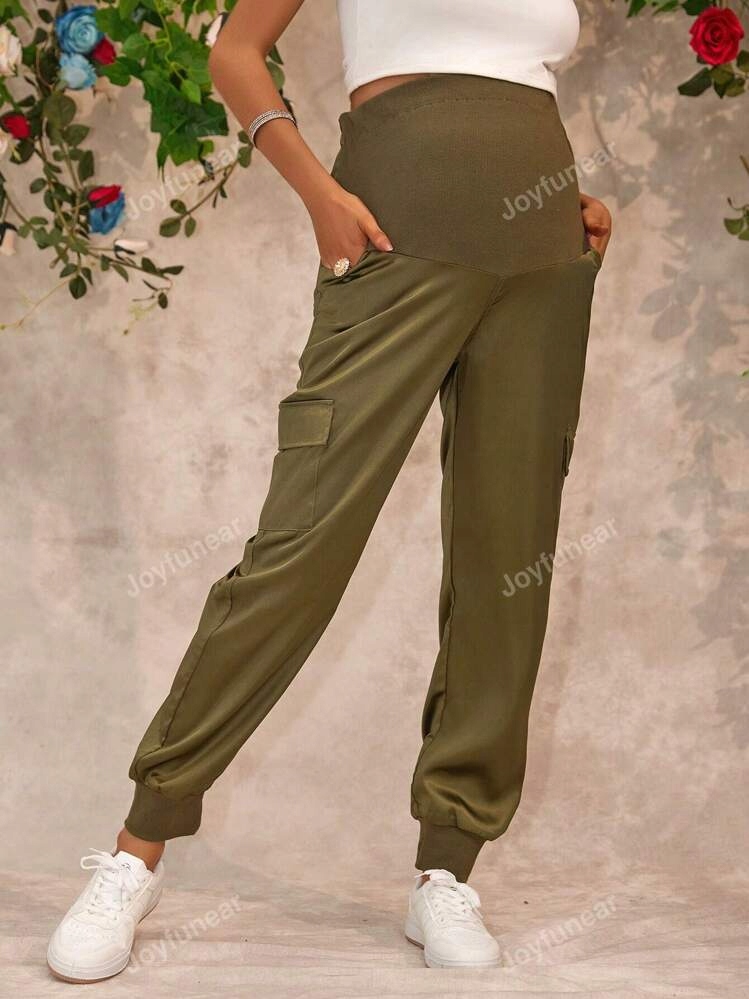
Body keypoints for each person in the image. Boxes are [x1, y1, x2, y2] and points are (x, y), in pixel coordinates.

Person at [47, 0, 612, 980]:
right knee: (300, 550)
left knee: (506, 561)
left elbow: (519, 82)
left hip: (540, 259)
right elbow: (235, 51)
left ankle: (446, 869)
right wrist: (317, 190)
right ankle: (138, 848)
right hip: (391, 236)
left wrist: (568, 206)